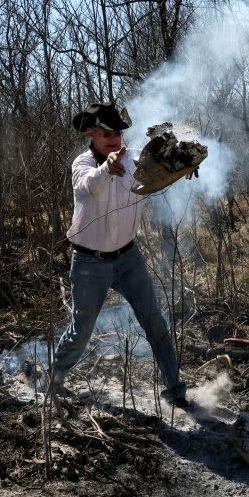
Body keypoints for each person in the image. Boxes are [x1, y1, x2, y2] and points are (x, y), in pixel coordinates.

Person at [53, 102, 189, 407]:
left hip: (128, 259)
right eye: (106, 133)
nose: (114, 138)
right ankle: (56, 377)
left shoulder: (135, 162)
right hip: (89, 262)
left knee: (154, 321)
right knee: (81, 329)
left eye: (117, 132)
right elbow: (91, 185)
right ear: (92, 133)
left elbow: (160, 172)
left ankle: (175, 390)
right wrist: (107, 168)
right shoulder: (82, 164)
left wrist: (183, 168)